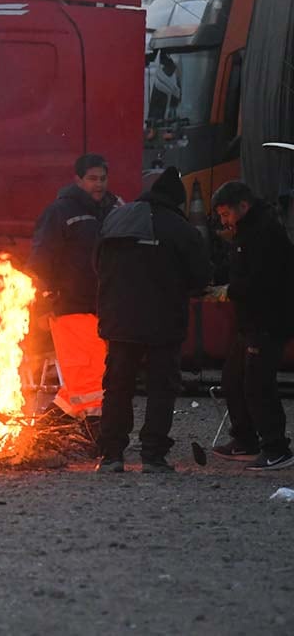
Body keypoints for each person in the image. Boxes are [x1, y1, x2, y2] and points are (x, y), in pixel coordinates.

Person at [94, 167, 211, 473]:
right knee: (162, 387)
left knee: (117, 387)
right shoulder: (182, 229)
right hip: (163, 323)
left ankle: (112, 455)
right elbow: (201, 277)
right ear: (176, 199)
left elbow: (98, 264)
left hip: (119, 321)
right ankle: (153, 455)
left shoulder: (117, 218)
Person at [27, 153, 120, 421]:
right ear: (77, 179)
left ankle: (50, 426)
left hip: (101, 306)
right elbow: (39, 263)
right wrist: (44, 305)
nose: (99, 184)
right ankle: (95, 432)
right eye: (92, 179)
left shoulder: (111, 210)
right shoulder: (59, 212)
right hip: (70, 307)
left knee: (89, 373)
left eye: (102, 178)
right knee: (89, 375)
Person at [210, 181, 294, 470]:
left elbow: (263, 282)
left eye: (225, 214)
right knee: (232, 378)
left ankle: (277, 447)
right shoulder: (246, 231)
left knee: (258, 384)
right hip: (249, 321)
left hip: (268, 320)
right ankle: (245, 438)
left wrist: (228, 291)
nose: (223, 221)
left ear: (243, 206)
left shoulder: (265, 232)